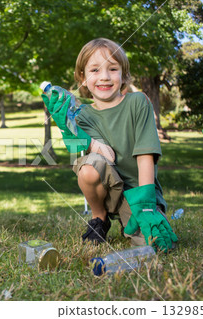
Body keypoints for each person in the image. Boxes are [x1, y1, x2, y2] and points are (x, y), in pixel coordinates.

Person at [41, 38, 177, 252]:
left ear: (123, 75)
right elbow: (95, 154)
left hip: (139, 192)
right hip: (109, 187)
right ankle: (99, 218)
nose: (104, 76)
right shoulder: (82, 114)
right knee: (88, 168)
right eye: (94, 70)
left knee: (153, 245)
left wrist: (146, 205)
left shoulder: (138, 102)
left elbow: (145, 156)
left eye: (112, 69)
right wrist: (67, 126)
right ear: (83, 78)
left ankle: (130, 218)